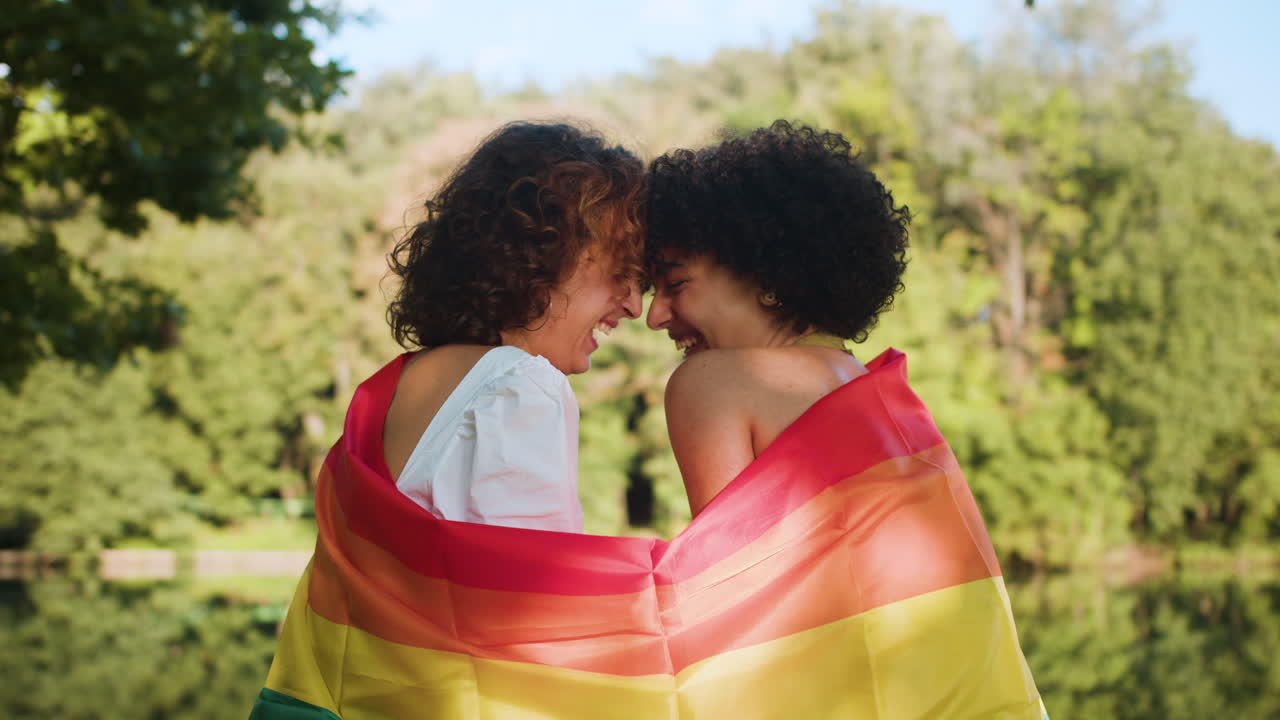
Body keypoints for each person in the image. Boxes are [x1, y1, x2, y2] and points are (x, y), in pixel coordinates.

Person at [382, 121, 643, 532]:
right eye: (622, 268)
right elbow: (534, 589)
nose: (634, 305)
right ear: (545, 250)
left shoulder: (398, 384)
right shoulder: (518, 385)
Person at [645, 120, 909, 516]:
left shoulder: (712, 382)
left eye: (677, 284)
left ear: (766, 276)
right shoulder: (877, 393)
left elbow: (729, 573)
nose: (654, 317)